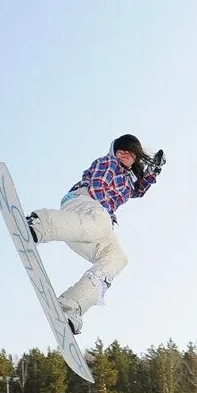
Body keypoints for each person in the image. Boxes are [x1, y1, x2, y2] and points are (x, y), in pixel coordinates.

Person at [27, 134, 165, 334]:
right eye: (121, 150)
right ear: (114, 151)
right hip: (82, 203)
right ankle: (39, 223)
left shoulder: (128, 183)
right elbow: (98, 185)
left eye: (130, 152)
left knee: (117, 259)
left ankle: (70, 307)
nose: (125, 154)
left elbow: (139, 190)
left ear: (135, 157)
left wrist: (154, 171)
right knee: (102, 223)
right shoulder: (108, 163)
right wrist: (105, 216)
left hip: (88, 225)